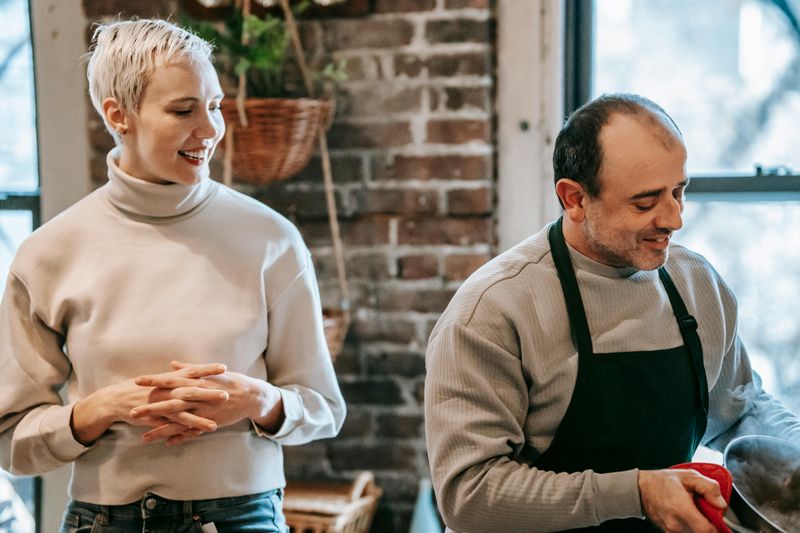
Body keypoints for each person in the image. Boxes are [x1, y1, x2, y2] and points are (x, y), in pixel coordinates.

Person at [0, 19, 345, 532]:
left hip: (244, 517)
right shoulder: (50, 251)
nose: (209, 130)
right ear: (119, 115)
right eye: (183, 110)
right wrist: (99, 409)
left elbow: (323, 407)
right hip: (104, 521)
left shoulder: (270, 238)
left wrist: (258, 400)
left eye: (215, 106)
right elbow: (11, 441)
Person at [424, 94, 800, 532]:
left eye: (679, 192)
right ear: (575, 199)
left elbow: (738, 407)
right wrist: (636, 492)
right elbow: (469, 497)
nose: (674, 219)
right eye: (645, 203)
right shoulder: (493, 311)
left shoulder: (695, 284)